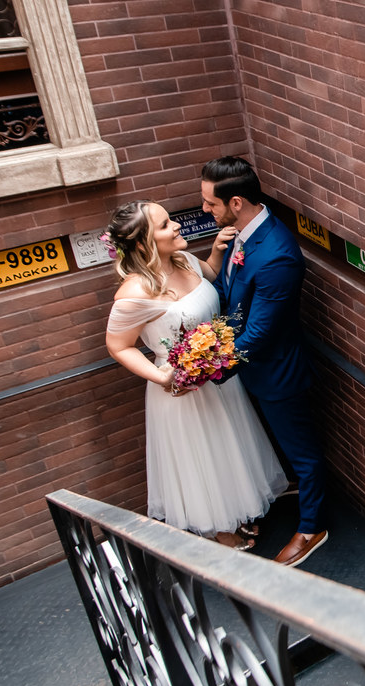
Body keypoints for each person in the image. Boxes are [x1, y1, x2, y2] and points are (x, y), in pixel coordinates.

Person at [103, 200, 288, 548]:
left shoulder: (186, 261)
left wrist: (217, 251)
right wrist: (163, 378)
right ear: (143, 243)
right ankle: (219, 528)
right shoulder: (134, 294)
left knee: (229, 445)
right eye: (164, 225)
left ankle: (239, 510)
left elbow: (211, 278)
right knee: (203, 458)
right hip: (181, 392)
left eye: (171, 220)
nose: (176, 227)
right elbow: (119, 346)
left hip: (218, 380)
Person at [200, 156, 328, 567]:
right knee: (286, 450)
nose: (205, 210)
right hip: (252, 371)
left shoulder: (276, 255)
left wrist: (208, 369)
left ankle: (312, 528)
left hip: (278, 375)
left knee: (305, 456)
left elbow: (259, 333)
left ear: (236, 202)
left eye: (210, 204)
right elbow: (229, 291)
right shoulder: (240, 235)